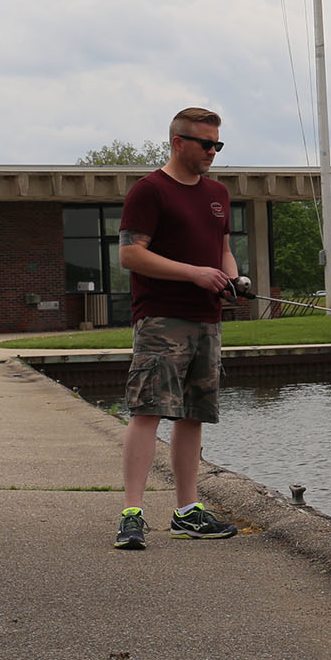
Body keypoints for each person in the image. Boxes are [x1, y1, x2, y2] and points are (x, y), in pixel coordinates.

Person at [113, 107, 240, 551]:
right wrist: (194, 274)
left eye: (218, 144)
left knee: (193, 416)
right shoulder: (149, 191)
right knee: (147, 411)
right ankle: (132, 514)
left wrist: (230, 277)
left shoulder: (218, 194)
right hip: (161, 319)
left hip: (208, 320)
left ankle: (188, 512)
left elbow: (223, 250)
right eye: (207, 144)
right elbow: (131, 256)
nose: (213, 152)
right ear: (178, 142)